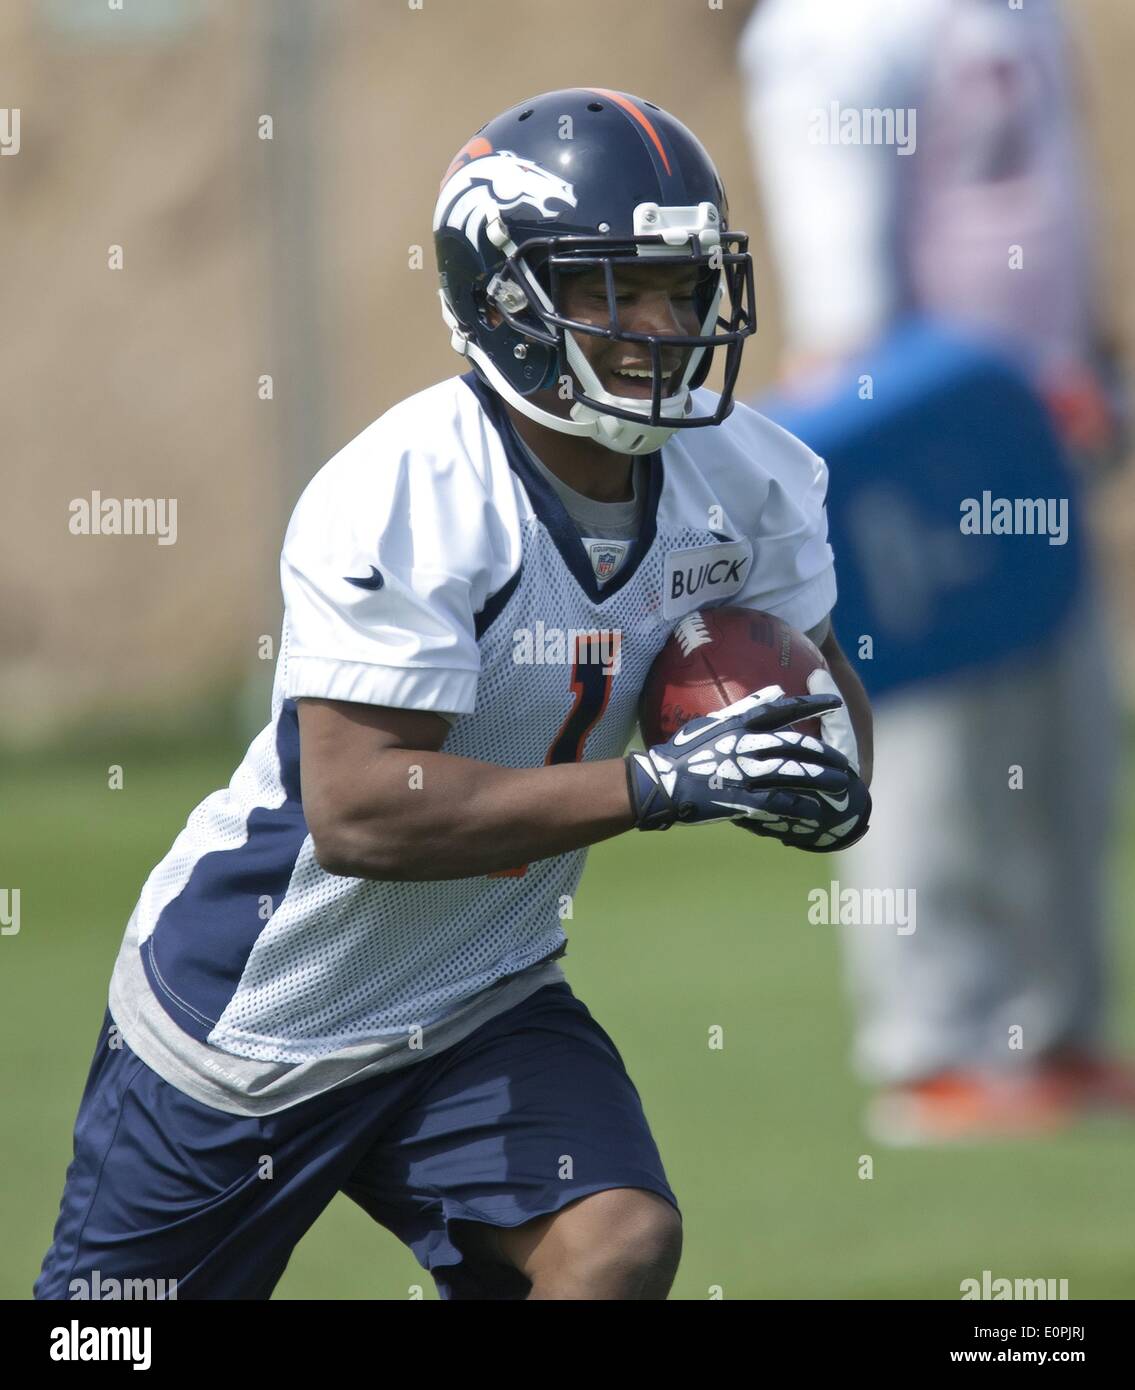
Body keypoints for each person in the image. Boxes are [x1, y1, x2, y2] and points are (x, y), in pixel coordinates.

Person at [35, 89, 871, 1301]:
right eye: (610, 288)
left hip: (481, 995)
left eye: (679, 287)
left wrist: (823, 774)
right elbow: (364, 811)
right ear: (506, 296)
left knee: (614, 1244)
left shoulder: (749, 475)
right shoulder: (411, 490)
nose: (658, 324)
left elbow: (826, 713)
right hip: (256, 1016)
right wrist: (653, 784)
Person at [740, 0, 1132, 1142]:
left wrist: (1078, 360)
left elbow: (1049, 205)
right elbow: (841, 283)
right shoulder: (839, 24)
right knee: (930, 749)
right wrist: (907, 419)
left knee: (1068, 748)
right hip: (932, 434)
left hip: (1036, 430)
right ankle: (938, 1044)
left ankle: (1056, 1031)